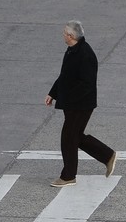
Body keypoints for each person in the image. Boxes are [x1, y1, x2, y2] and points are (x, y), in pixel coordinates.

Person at [44, 20, 116, 187]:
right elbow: (64, 76)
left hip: (81, 105)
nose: (63, 35)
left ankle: (69, 176)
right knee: (74, 137)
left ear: (71, 36)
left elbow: (87, 84)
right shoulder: (72, 50)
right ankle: (107, 155)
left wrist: (70, 100)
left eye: (64, 33)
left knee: (68, 138)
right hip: (73, 104)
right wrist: (52, 93)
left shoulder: (85, 54)